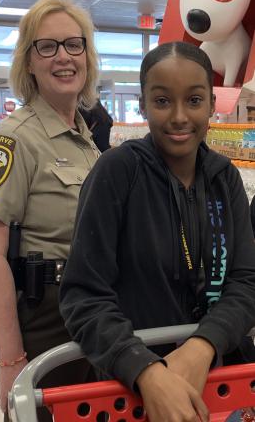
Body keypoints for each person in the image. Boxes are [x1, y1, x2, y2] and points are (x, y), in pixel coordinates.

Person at [60, 41, 255, 422]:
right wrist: (144, 370)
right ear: (143, 104)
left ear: (213, 104)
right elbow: (84, 296)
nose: (180, 116)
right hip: (131, 396)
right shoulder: (116, 174)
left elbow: (245, 282)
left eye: (194, 100)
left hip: (220, 386)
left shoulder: (225, 179)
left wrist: (203, 346)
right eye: (163, 101)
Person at [0, 0, 99, 421]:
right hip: (39, 316)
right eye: (48, 46)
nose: (63, 57)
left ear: (87, 55)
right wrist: (11, 362)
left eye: (73, 45)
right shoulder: (13, 140)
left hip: (86, 310)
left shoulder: (85, 140)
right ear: (29, 61)